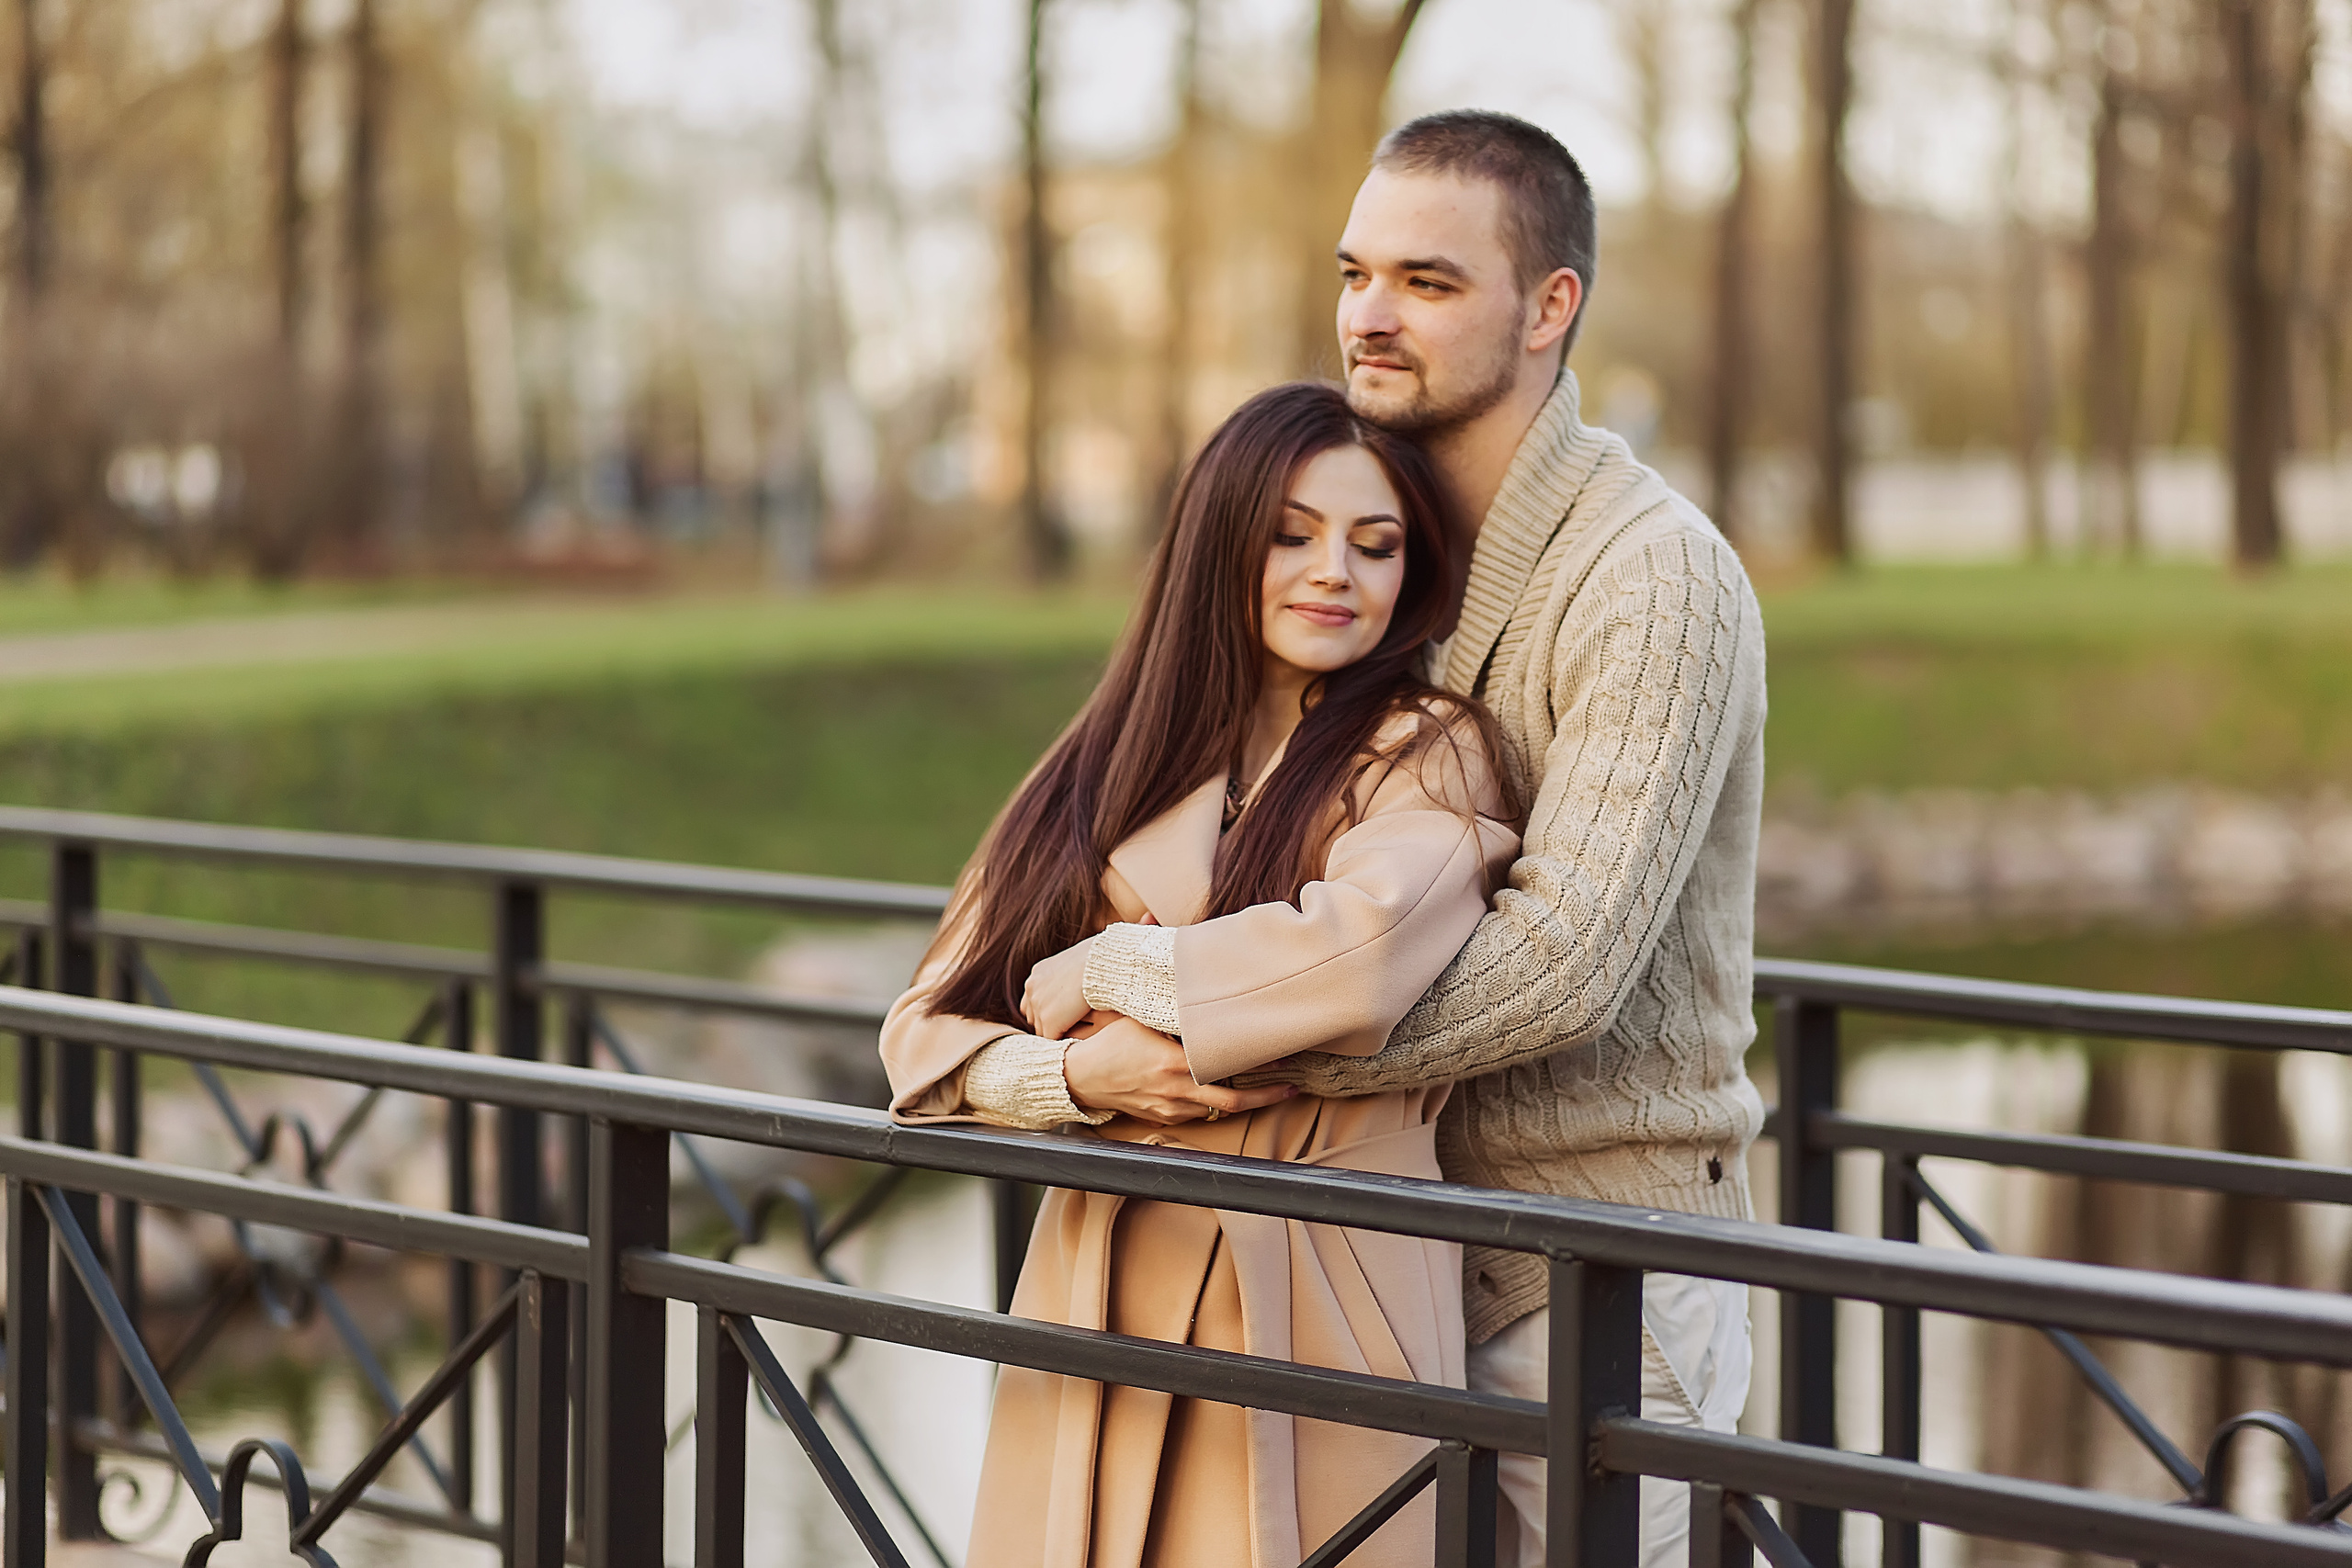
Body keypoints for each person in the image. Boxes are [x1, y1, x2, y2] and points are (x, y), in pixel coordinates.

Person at [1082, 110, 1771, 1568]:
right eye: (1355, 272)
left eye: (1428, 282)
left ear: (1549, 309)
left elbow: (1561, 965)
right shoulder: (1376, 555)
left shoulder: (1656, 583)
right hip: (1371, 1271)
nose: (1368, 317)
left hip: (1596, 1290)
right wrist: (1071, 1059)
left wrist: (1199, 1032)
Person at [880, 380, 1522, 1568]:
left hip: (1327, 1278)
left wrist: (1113, 959)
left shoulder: (1431, 751)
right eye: (1291, 533)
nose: (1334, 570)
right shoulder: (1107, 759)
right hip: (1101, 1277)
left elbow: (1361, 958)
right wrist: (1076, 1078)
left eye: (1373, 545)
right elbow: (922, 1028)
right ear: (1219, 543)